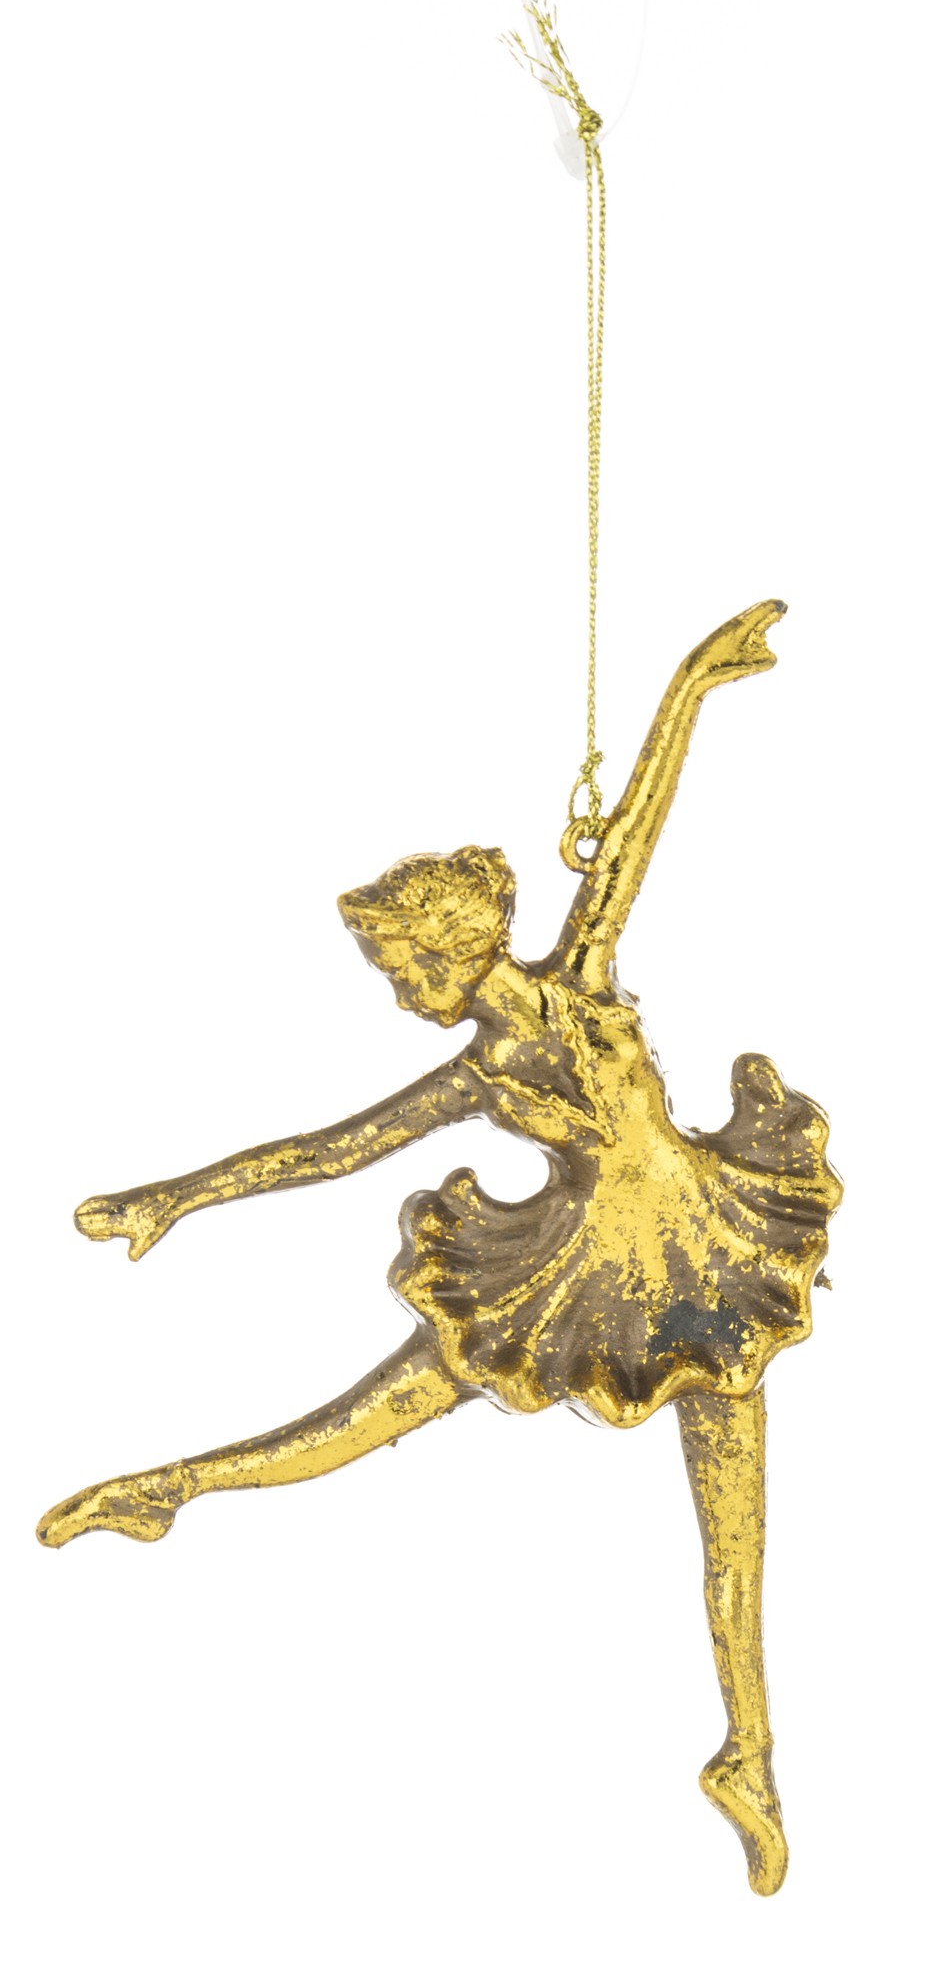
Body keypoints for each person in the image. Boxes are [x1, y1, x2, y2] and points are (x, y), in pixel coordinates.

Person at [36, 598, 841, 1895]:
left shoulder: (585, 972)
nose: (400, 991)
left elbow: (640, 820)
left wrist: (695, 678)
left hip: (702, 1252)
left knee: (737, 1512)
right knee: (385, 1408)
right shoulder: (482, 1072)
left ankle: (749, 1753)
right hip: (580, 1276)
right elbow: (326, 1150)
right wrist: (175, 1195)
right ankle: (171, 1487)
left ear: (449, 951)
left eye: (397, 967)